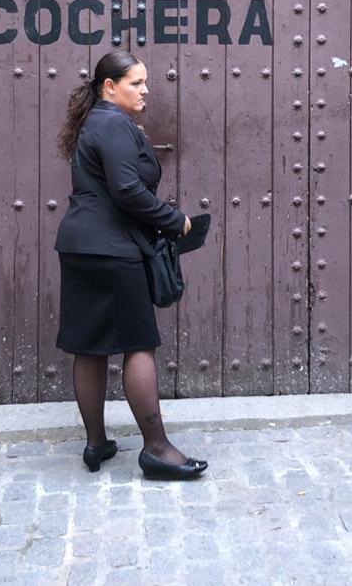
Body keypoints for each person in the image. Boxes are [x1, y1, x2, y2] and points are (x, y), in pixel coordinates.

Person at [53, 50, 207, 481]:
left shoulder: (95, 124)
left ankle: (96, 442)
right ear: (109, 87)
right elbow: (126, 191)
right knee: (138, 344)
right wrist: (177, 221)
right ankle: (157, 450)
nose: (145, 90)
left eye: (145, 83)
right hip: (114, 249)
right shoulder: (114, 125)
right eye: (136, 83)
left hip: (79, 245)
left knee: (90, 346)